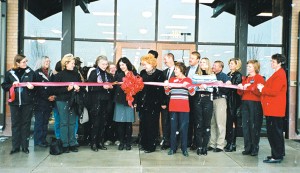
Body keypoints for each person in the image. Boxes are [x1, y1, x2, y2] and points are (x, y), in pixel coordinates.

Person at [1, 54, 35, 154]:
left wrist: (32, 88)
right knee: (15, 125)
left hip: (27, 103)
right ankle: (15, 147)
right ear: (17, 63)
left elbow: (37, 86)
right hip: (14, 103)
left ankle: (25, 147)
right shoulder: (10, 73)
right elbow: (4, 86)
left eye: (26, 61)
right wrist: (12, 85)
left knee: (26, 124)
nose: (26, 63)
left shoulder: (31, 72)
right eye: (23, 62)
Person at [257, 54, 287, 163]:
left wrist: (262, 88)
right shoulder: (278, 73)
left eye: (273, 62)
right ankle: (278, 153)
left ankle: (277, 156)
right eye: (271, 61)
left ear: (279, 63)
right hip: (274, 108)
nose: (271, 63)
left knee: (274, 133)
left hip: (275, 109)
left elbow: (274, 91)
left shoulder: (280, 74)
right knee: (276, 132)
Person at [164, 62, 195, 157]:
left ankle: (184, 149)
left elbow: (192, 93)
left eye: (176, 69)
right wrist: (166, 87)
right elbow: (167, 93)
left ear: (181, 70)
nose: (175, 71)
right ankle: (173, 148)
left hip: (184, 108)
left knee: (184, 129)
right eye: (174, 69)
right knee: (173, 129)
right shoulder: (172, 79)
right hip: (173, 107)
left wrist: (188, 86)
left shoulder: (188, 80)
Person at [53, 54, 82, 153]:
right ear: (66, 63)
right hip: (62, 101)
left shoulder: (76, 74)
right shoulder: (59, 75)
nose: (74, 65)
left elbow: (81, 86)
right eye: (72, 63)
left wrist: (78, 89)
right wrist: (67, 89)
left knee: (72, 122)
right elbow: (55, 90)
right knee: (64, 122)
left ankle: (72, 143)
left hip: (73, 100)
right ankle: (64, 144)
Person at [137, 54, 166, 153]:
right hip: (143, 103)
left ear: (152, 64)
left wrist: (163, 102)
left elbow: (162, 90)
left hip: (154, 103)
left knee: (152, 125)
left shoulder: (159, 74)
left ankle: (151, 146)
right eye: (143, 64)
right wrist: (138, 101)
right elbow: (139, 88)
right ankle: (144, 144)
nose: (144, 66)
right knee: (144, 124)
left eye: (145, 64)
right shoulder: (142, 73)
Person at [238, 60, 265, 156]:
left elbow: (260, 92)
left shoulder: (259, 78)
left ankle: (254, 148)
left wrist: (250, 87)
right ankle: (247, 147)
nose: (248, 68)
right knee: (245, 125)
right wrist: (240, 88)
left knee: (254, 125)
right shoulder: (245, 78)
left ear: (255, 67)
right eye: (248, 66)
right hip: (245, 103)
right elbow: (241, 93)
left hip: (255, 104)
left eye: (250, 66)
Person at [87, 55, 113, 152]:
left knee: (103, 122)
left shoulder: (108, 74)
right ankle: (93, 142)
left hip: (105, 101)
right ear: (98, 63)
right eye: (103, 64)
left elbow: (112, 86)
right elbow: (90, 87)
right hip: (95, 101)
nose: (105, 66)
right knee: (95, 123)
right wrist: (102, 87)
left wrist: (110, 87)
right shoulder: (94, 73)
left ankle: (100, 142)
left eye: (106, 64)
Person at [192, 57, 215, 156]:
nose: (201, 64)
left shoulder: (212, 75)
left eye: (204, 62)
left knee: (207, 124)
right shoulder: (195, 75)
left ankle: (205, 146)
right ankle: (199, 146)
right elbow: (192, 87)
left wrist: (207, 87)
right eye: (200, 62)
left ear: (208, 64)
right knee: (198, 123)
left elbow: (215, 88)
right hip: (198, 99)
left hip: (208, 100)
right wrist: (198, 87)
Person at [113, 57, 137, 151]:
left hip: (130, 101)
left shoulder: (134, 74)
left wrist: (135, 102)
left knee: (128, 123)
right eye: (120, 65)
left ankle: (128, 142)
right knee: (120, 123)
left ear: (127, 64)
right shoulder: (118, 74)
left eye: (123, 64)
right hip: (119, 101)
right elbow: (114, 87)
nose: (122, 66)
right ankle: (121, 142)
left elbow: (137, 89)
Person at [208, 60, 231, 152]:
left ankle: (220, 145)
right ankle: (212, 143)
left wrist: (221, 85)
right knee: (212, 123)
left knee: (220, 123)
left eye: (215, 65)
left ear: (220, 68)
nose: (213, 66)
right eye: (213, 65)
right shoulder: (210, 76)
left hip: (220, 100)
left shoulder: (224, 76)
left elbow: (228, 90)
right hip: (211, 99)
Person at [33, 56, 55, 147]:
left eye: (49, 61)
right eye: (46, 61)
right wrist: (47, 97)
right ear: (42, 62)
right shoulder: (37, 73)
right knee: (39, 122)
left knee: (45, 122)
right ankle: (38, 140)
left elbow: (54, 86)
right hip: (40, 102)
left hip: (49, 102)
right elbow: (37, 89)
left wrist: (53, 96)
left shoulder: (51, 73)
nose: (48, 62)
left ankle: (43, 140)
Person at [224, 58, 242, 152]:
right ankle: (228, 142)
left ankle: (232, 143)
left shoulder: (238, 75)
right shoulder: (228, 74)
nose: (230, 65)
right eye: (229, 63)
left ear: (237, 65)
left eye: (232, 63)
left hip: (234, 101)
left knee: (233, 123)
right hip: (228, 100)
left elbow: (235, 87)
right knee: (228, 123)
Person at [185, 51, 201, 150]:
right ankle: (188, 141)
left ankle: (196, 142)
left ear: (198, 60)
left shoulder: (200, 70)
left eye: (192, 58)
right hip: (187, 97)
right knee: (188, 120)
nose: (190, 59)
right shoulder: (186, 69)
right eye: (190, 58)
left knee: (196, 120)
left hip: (197, 97)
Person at [160, 53, 176, 150]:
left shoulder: (179, 71)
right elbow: (162, 89)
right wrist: (163, 102)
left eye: (165, 59)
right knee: (165, 122)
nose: (164, 61)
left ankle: (174, 141)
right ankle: (166, 141)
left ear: (171, 58)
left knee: (174, 122)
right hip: (166, 102)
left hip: (176, 100)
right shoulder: (164, 72)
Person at [104, 62, 118, 146]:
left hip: (116, 102)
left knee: (116, 121)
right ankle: (108, 138)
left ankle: (116, 138)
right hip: (108, 102)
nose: (113, 69)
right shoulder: (106, 77)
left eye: (114, 68)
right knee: (108, 120)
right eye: (111, 68)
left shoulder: (119, 77)